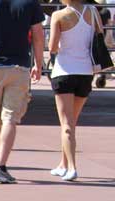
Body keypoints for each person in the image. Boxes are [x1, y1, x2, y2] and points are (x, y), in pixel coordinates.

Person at [0, 0, 45, 184]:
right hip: (19, 67)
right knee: (10, 118)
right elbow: (38, 35)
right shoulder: (30, 3)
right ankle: (1, 167)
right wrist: (38, 63)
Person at [48, 0, 104, 180]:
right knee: (71, 123)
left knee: (66, 124)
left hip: (64, 71)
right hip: (86, 72)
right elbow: (99, 36)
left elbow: (52, 47)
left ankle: (72, 167)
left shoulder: (59, 15)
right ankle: (62, 164)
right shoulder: (93, 12)